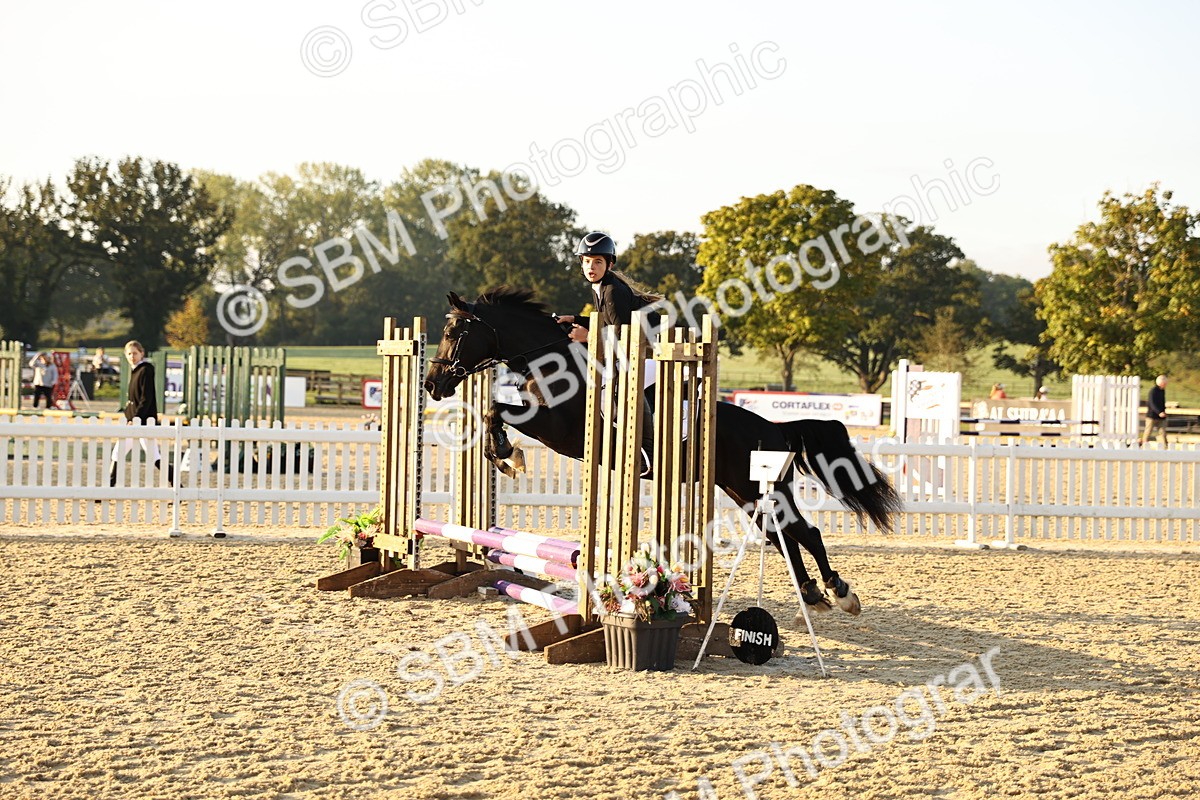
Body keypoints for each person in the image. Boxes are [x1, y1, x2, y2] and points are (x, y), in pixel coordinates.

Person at [554, 232, 661, 477]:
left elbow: (622, 337)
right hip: (641, 349)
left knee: (626, 384)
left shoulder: (613, 291)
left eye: (598, 262)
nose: (591, 267)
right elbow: (607, 322)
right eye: (587, 261)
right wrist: (576, 319)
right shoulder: (602, 286)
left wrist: (588, 337)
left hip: (658, 353)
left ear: (609, 264)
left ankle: (648, 452)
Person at [109, 341, 172, 487]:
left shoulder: (145, 370)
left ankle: (177, 486)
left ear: (142, 353)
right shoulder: (135, 370)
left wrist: (136, 418)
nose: (132, 356)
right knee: (119, 453)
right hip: (134, 420)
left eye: (135, 353)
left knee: (153, 456)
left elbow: (146, 397)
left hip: (142, 421)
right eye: (129, 354)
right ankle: (109, 487)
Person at [1139, 375, 1169, 447]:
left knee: (1163, 432)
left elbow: (1162, 402)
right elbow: (1152, 404)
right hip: (1152, 415)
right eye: (1165, 382)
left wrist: (1163, 411)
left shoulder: (1162, 391)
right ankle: (1144, 446)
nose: (1166, 384)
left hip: (1161, 416)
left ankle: (1165, 447)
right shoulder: (1153, 391)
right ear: (1161, 383)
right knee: (1148, 432)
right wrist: (1159, 412)